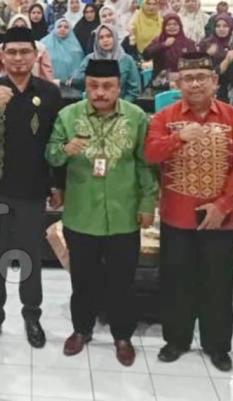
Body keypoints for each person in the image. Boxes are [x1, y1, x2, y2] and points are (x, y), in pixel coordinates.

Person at [47, 59, 158, 366]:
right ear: (86, 87)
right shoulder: (68, 116)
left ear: (119, 87)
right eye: (93, 86)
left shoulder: (136, 117)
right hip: (81, 213)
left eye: (107, 86)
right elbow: (50, 155)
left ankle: (122, 336)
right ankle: (81, 330)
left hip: (124, 214)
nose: (100, 92)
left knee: (123, 281)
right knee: (82, 279)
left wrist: (147, 203)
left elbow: (145, 164)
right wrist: (64, 150)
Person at [144, 52, 233, 373]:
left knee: (218, 284)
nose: (195, 84)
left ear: (215, 81)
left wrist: (223, 205)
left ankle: (217, 346)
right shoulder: (165, 117)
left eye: (202, 77)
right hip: (176, 216)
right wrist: (178, 137)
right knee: (177, 281)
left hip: (221, 219)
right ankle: (176, 340)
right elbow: (150, 154)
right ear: (178, 83)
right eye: (188, 79)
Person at [0, 26, 63, 351]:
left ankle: (32, 316)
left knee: (30, 258)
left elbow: (56, 141)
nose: (19, 58)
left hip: (34, 190)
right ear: (2, 57)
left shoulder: (49, 93)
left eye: (25, 52)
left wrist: (57, 184)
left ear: (35, 56)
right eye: (12, 52)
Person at [71, 25, 142, 102]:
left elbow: (134, 89)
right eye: (101, 37)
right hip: (92, 104)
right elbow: (79, 82)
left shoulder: (127, 60)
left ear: (115, 37)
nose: (105, 40)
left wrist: (121, 105)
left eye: (109, 36)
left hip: (119, 105)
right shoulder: (90, 59)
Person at [0, 14, 54, 81]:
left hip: (34, 88)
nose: (19, 29)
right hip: (7, 87)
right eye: (15, 26)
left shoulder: (40, 48)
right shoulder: (3, 47)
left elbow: (47, 73)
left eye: (23, 27)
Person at [142, 13, 197, 79]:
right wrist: (163, 45)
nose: (172, 27)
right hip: (161, 81)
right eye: (168, 24)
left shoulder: (189, 43)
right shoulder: (158, 41)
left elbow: (194, 64)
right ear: (164, 27)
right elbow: (146, 56)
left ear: (180, 26)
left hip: (184, 80)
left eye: (175, 24)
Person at [41, 19, 85, 84]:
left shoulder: (76, 49)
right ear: (55, 28)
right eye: (59, 27)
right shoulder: (43, 44)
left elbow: (78, 70)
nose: (62, 29)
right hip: (46, 83)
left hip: (68, 85)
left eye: (66, 27)